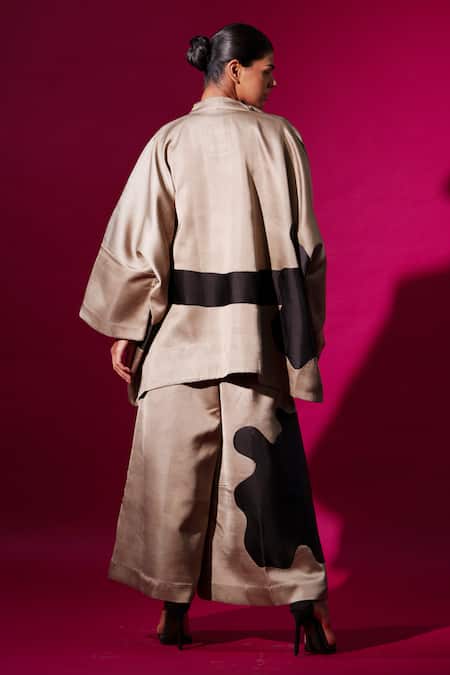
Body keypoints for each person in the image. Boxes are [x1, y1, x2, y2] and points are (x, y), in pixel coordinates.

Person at [78, 22, 337, 655]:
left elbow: (141, 239)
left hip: (180, 339)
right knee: (269, 480)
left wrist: (129, 328)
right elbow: (306, 249)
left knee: (173, 477)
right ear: (235, 70)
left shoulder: (169, 141)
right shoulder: (281, 139)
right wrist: (303, 336)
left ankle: (173, 611)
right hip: (255, 340)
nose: (274, 81)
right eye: (266, 70)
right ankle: (308, 611)